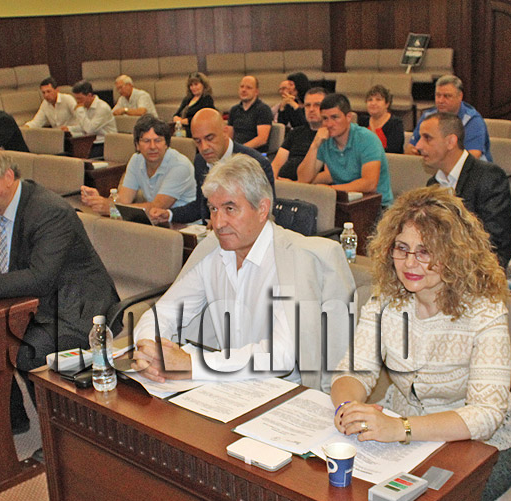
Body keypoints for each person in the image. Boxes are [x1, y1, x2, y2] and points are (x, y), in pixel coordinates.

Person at [330, 186, 511, 501]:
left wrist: (400, 429)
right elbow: (354, 370)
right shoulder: (385, 300)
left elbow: (486, 414)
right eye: (402, 248)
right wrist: (348, 408)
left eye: (425, 252)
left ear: (453, 254)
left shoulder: (485, 312)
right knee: (352, 497)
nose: (410, 262)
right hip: (400, 432)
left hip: (479, 444)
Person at [0, 149, 118, 441]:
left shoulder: (48, 211)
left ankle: (58, 441)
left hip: (73, 309)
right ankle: (10, 420)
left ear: (8, 177)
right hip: (28, 301)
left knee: (25, 349)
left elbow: (41, 278)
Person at [132, 154, 354, 389]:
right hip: (225, 384)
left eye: (230, 209)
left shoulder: (295, 260)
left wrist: (191, 364)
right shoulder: (212, 251)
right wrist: (150, 350)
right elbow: (165, 311)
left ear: (262, 209)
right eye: (214, 209)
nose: (218, 223)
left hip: (281, 391)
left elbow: (280, 355)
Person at [417, 112, 511, 266]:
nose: (418, 146)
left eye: (427, 138)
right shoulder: (433, 183)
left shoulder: (489, 177)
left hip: (481, 268)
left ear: (450, 142)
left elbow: (493, 242)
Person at [151, 108, 275, 224]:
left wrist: (224, 221)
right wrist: (169, 214)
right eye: (198, 141)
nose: (204, 147)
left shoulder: (257, 164)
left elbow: (266, 214)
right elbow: (199, 207)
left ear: (225, 132)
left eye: (209, 138)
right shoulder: (200, 161)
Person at [79, 115, 195, 220]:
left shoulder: (180, 166)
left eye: (158, 141)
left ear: (166, 144)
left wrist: (110, 207)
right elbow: (123, 200)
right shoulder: (136, 159)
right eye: (146, 141)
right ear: (137, 145)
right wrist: (99, 200)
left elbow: (156, 207)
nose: (152, 147)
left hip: (182, 225)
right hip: (155, 222)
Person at [297, 93, 393, 208]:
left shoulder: (367, 139)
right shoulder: (324, 140)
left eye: (335, 117)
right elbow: (303, 179)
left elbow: (369, 184)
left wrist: (330, 189)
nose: (329, 124)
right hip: (342, 203)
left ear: (348, 117)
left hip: (376, 205)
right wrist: (314, 145)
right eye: (325, 118)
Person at [407, 75, 492, 161]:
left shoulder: (472, 120)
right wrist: (414, 152)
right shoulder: (428, 116)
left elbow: (472, 157)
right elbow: (409, 149)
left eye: (447, 96)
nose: (440, 100)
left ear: (460, 96)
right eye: (438, 95)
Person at [271, 87, 324, 181]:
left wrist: (294, 185)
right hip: (281, 184)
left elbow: (328, 175)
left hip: (307, 186)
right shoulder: (295, 132)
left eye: (317, 105)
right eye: (307, 105)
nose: (311, 109)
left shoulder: (330, 136)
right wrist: (273, 181)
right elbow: (276, 165)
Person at [68, 80, 117, 158]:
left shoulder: (102, 108)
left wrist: (80, 111)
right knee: (70, 153)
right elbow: (83, 127)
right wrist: (69, 129)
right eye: (76, 99)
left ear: (89, 95)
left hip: (105, 142)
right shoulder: (83, 106)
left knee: (84, 158)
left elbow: (89, 129)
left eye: (80, 99)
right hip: (91, 141)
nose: (78, 102)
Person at [227, 75, 273, 150]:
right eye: (242, 87)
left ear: (256, 92)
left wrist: (240, 149)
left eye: (248, 88)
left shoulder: (263, 109)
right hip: (236, 151)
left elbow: (262, 139)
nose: (244, 90)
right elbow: (229, 136)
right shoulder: (234, 110)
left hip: (254, 152)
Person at [365, 84, 405, 154]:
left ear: (387, 104)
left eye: (378, 99)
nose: (373, 103)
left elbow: (393, 150)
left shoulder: (395, 124)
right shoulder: (362, 122)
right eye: (370, 100)